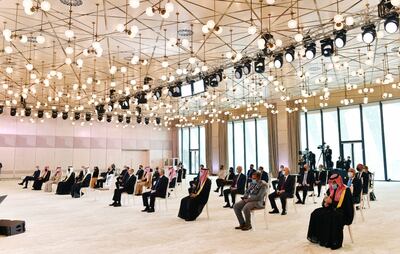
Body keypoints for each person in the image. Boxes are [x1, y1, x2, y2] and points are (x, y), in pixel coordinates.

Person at [307, 174, 354, 250]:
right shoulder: (330, 189)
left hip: (343, 212)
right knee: (316, 213)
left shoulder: (345, 190)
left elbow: (346, 207)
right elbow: (325, 200)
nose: (333, 184)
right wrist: (325, 203)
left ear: (339, 182)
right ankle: (320, 238)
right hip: (331, 209)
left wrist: (331, 202)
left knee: (333, 217)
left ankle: (333, 242)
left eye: (334, 182)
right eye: (331, 182)